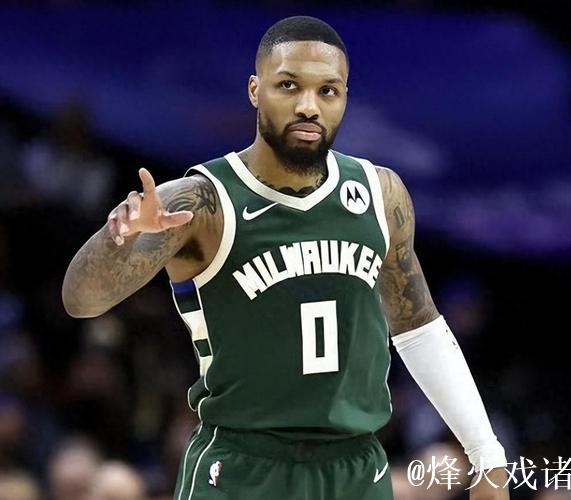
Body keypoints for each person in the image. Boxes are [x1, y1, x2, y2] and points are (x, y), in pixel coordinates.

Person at [63, 16, 509, 500]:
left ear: (345, 97)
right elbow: (80, 300)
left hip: (356, 465)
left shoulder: (380, 193)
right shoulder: (201, 201)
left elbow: (418, 327)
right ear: (255, 90)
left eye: (327, 91)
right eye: (289, 86)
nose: (308, 106)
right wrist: (118, 239)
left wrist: (485, 453)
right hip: (242, 466)